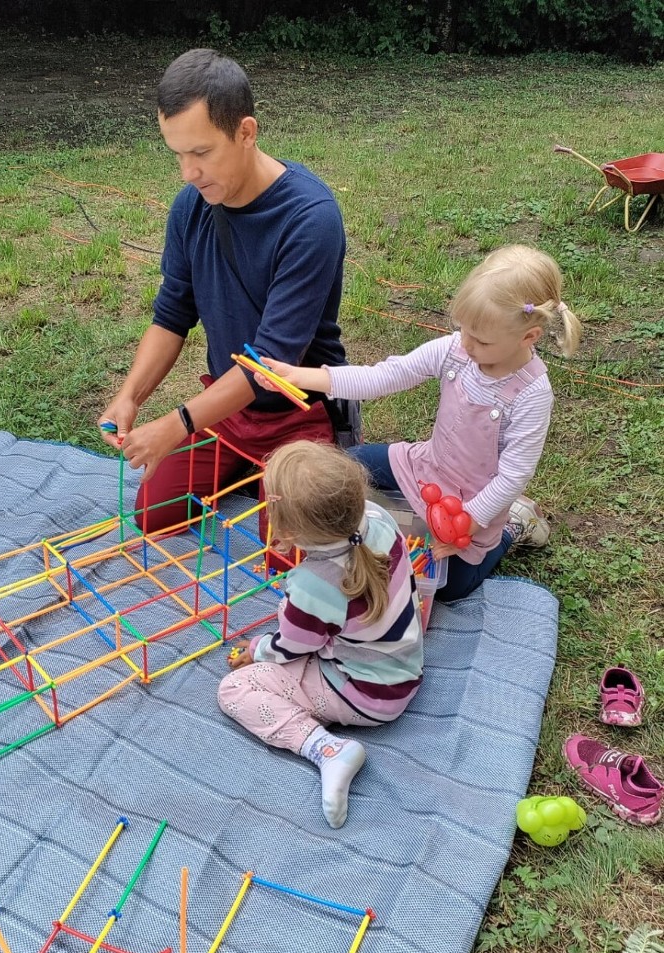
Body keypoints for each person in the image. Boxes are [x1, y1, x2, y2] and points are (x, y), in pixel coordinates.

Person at [97, 48, 348, 541]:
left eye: (202, 153)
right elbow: (171, 316)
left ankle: (287, 476)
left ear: (246, 132)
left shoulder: (310, 219)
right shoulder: (191, 207)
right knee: (153, 515)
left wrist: (176, 425)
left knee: (292, 555)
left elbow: (269, 364)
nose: (187, 173)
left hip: (298, 414)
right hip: (227, 412)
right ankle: (247, 473)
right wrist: (128, 397)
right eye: (178, 154)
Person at [257, 245, 582, 602]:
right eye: (464, 330)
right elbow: (382, 377)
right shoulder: (454, 349)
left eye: (481, 340)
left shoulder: (532, 393)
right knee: (347, 466)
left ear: (528, 337)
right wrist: (300, 376)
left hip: (473, 501)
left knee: (449, 586)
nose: (468, 344)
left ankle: (511, 528)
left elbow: (513, 475)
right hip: (426, 467)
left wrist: (470, 521)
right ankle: (384, 517)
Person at [218, 441, 424, 829]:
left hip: (365, 695)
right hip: (402, 667)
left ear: (289, 530)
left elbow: (293, 647)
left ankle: (328, 749)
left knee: (235, 689)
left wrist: (258, 648)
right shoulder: (379, 519)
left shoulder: (313, 586)